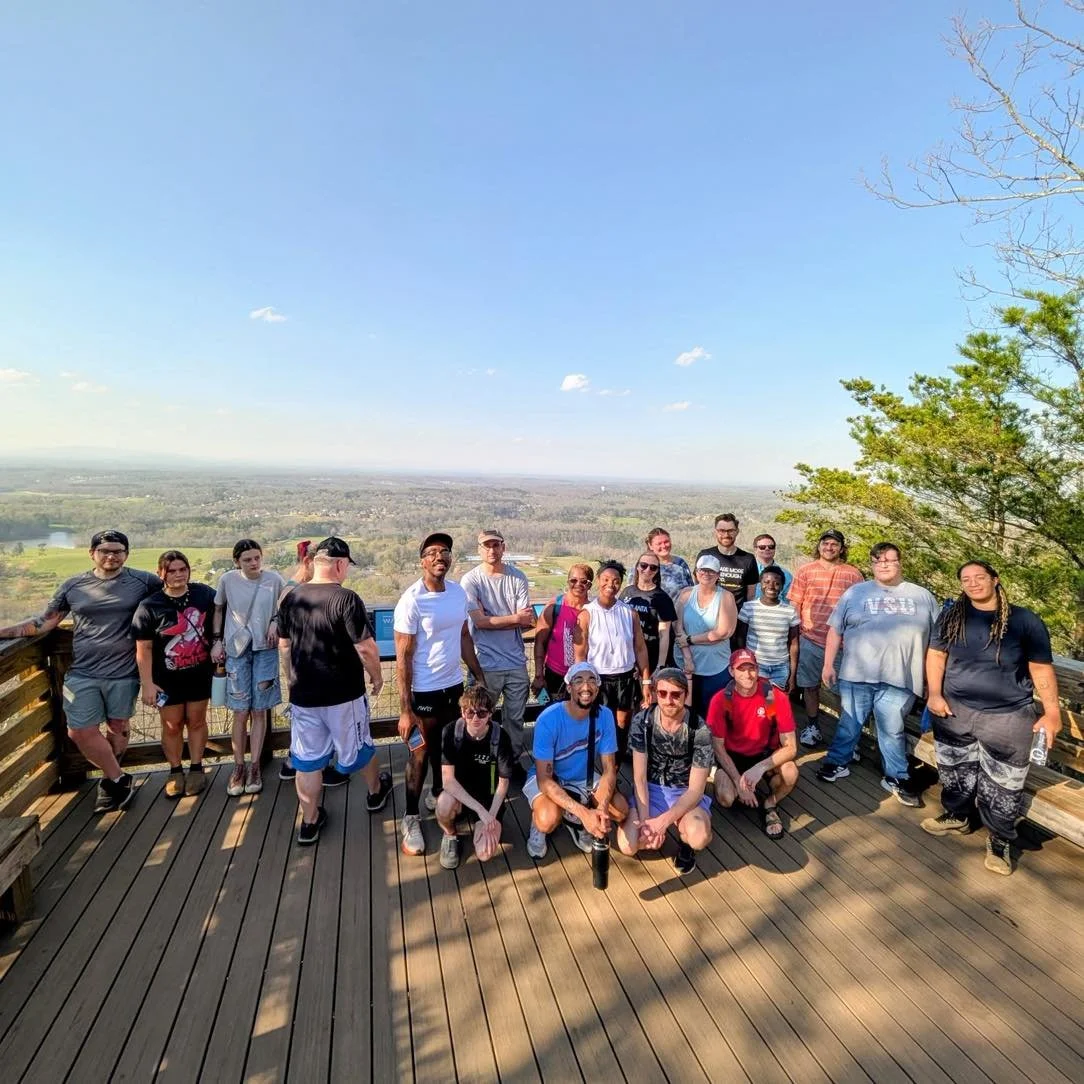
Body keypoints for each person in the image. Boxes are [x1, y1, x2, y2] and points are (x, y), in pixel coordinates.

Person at [0, 530, 160, 813]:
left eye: (117, 551)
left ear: (126, 554)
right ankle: (118, 778)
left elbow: (171, 599)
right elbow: (44, 623)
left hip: (124, 671)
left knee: (118, 727)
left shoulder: (144, 581)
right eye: (105, 551)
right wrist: (4, 632)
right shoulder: (74, 585)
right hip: (83, 672)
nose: (111, 555)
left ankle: (113, 782)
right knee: (79, 732)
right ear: (92, 553)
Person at [922, 561, 1061, 876]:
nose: (973, 583)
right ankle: (958, 815)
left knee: (1004, 782)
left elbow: (1040, 668)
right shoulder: (952, 616)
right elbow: (936, 654)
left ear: (995, 580)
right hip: (955, 710)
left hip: (1008, 716)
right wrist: (934, 694)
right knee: (954, 768)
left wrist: (1052, 712)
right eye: (966, 579)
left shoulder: (1024, 621)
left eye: (979, 577)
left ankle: (999, 838)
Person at [276, 537, 392, 845]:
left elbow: (284, 645)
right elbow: (366, 648)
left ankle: (310, 820)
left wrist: (291, 679)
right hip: (343, 693)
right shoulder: (346, 599)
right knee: (359, 745)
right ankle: (375, 792)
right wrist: (377, 677)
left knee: (308, 759)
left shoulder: (291, 597)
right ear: (340, 564)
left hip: (303, 695)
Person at [816, 543, 938, 806]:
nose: (883, 564)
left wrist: (933, 681)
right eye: (878, 560)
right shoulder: (855, 593)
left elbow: (937, 643)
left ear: (900, 562)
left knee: (891, 728)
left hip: (902, 678)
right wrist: (828, 665)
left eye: (889, 560)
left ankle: (897, 776)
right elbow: (835, 631)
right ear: (872, 564)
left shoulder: (922, 596)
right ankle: (838, 762)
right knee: (849, 723)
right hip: (856, 673)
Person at [394, 532, 486, 857]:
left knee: (446, 748)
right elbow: (403, 659)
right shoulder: (411, 600)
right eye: (432, 552)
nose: (439, 557)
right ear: (422, 561)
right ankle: (411, 816)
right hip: (423, 693)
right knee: (419, 754)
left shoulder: (458, 594)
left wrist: (478, 674)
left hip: (453, 690)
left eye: (444, 552)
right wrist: (405, 710)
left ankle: (437, 792)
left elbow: (463, 637)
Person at [523, 661, 629, 861]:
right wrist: (583, 812)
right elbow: (544, 781)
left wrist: (599, 810)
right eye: (578, 681)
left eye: (591, 681)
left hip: (584, 778)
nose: (586, 687)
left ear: (597, 688)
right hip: (550, 777)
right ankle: (544, 823)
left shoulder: (605, 716)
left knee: (621, 810)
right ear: (569, 687)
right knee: (547, 819)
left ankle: (575, 821)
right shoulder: (548, 719)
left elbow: (608, 770)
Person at [132, 550, 215, 798]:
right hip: (166, 678)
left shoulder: (204, 594)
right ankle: (175, 770)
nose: (178, 575)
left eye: (182, 569)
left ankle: (197, 768)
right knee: (171, 725)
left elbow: (224, 613)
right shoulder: (149, 606)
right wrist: (146, 683)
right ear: (161, 573)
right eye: (172, 570)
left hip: (199, 672)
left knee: (197, 720)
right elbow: (143, 648)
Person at [619, 668, 713, 874]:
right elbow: (640, 777)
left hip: (683, 791)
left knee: (699, 837)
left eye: (676, 694)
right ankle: (649, 828)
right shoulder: (643, 721)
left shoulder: (699, 729)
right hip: (649, 790)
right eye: (662, 693)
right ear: (654, 694)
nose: (668, 700)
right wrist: (646, 824)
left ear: (685, 696)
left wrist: (661, 823)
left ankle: (685, 845)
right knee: (628, 845)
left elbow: (696, 790)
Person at [211, 539, 284, 797]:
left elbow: (284, 606)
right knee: (240, 712)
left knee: (260, 710)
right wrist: (216, 641)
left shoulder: (274, 579)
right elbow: (218, 609)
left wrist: (276, 622)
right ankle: (238, 766)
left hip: (265, 648)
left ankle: (255, 767)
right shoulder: (228, 580)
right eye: (247, 560)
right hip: (236, 650)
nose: (254, 563)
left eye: (257, 558)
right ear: (236, 562)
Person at [460, 529, 534, 770]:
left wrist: (492, 619)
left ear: (504, 547)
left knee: (515, 719)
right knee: (479, 717)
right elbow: (480, 623)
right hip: (485, 665)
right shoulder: (471, 580)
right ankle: (481, 762)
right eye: (486, 545)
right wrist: (512, 618)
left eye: (496, 545)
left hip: (515, 663)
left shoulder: (517, 577)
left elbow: (527, 620)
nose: (491, 550)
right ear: (479, 549)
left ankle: (510, 762)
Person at [707, 649, 799, 839]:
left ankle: (770, 803)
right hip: (734, 757)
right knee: (725, 798)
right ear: (731, 672)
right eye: (741, 669)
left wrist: (759, 768)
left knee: (790, 772)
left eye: (752, 669)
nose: (748, 675)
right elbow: (718, 747)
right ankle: (743, 789)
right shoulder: (721, 700)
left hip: (765, 755)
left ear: (757, 670)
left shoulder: (774, 697)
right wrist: (737, 781)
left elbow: (791, 747)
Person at [788, 529, 864, 747]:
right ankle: (813, 727)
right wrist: (794, 635)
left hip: (841, 644)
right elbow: (795, 604)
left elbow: (858, 610)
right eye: (825, 543)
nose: (829, 548)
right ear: (819, 546)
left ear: (841, 548)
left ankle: (847, 736)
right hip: (810, 639)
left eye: (834, 544)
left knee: (842, 691)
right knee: (810, 686)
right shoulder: (805, 571)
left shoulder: (853, 574)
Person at [573, 560, 652, 757]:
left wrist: (646, 681)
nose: (611, 584)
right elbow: (580, 654)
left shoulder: (629, 613)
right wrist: (581, 684)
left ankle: (614, 774)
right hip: (597, 679)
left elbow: (640, 649)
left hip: (625, 678)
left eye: (616, 580)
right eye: (606, 579)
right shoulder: (587, 614)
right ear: (598, 581)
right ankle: (591, 774)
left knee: (621, 726)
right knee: (593, 725)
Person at [436, 685, 515, 870]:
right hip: (461, 796)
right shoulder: (451, 732)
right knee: (443, 805)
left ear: (490, 714)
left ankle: (482, 825)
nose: (475, 718)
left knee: (485, 854)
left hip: (488, 799)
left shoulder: (500, 737)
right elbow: (448, 780)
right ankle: (450, 834)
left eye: (481, 713)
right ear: (462, 712)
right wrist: (480, 810)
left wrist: (491, 817)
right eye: (470, 712)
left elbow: (503, 784)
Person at [674, 554, 739, 719]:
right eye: (703, 570)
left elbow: (723, 632)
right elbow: (678, 627)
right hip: (686, 664)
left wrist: (690, 639)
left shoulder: (725, 597)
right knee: (685, 710)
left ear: (718, 575)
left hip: (715, 666)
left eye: (712, 571)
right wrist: (687, 657)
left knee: (713, 712)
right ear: (696, 572)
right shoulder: (686, 594)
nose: (706, 574)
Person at [532, 564, 594, 701]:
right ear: (568, 582)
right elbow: (540, 641)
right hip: (554, 675)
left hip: (584, 677)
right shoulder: (555, 606)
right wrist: (538, 675)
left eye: (584, 581)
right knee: (553, 715)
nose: (578, 584)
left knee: (580, 716)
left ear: (590, 586)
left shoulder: (593, 611)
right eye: (573, 580)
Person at [735, 565, 799, 690]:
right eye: (767, 582)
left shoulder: (790, 611)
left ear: (782, 586)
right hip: (755, 665)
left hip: (781, 668)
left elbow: (794, 644)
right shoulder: (749, 607)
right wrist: (743, 664)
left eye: (777, 583)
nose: (771, 586)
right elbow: (740, 638)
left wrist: (792, 675)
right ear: (760, 584)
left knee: (776, 705)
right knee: (756, 704)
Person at [620, 551, 678, 671]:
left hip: (651, 655)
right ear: (637, 567)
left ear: (657, 571)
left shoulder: (662, 598)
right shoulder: (627, 592)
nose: (647, 570)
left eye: (653, 567)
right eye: (643, 565)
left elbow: (664, 634)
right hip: (627, 654)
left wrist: (660, 665)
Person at [695, 513, 759, 610]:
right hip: (707, 613)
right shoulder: (705, 556)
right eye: (722, 531)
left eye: (730, 530)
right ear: (715, 532)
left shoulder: (748, 559)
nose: (726, 535)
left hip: (738, 616)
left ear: (737, 531)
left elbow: (751, 595)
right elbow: (696, 586)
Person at [645, 527, 693, 603]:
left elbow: (691, 588)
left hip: (682, 612)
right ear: (650, 546)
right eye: (659, 543)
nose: (664, 546)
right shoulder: (645, 567)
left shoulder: (680, 563)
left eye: (666, 542)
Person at [752, 534, 793, 602]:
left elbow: (788, 600)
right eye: (762, 547)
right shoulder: (747, 570)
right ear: (755, 549)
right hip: (749, 611)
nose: (767, 549)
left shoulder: (786, 574)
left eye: (771, 546)